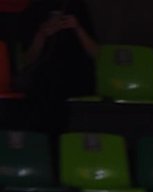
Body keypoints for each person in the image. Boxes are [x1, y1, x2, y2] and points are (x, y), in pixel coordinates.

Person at [18, 0, 98, 130]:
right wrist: (42, 34)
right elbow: (27, 59)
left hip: (78, 82)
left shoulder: (77, 6)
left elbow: (96, 53)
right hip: (44, 86)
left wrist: (77, 28)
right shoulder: (34, 10)